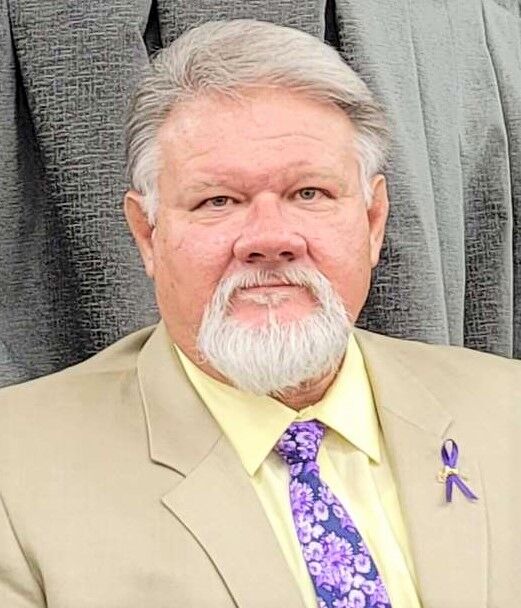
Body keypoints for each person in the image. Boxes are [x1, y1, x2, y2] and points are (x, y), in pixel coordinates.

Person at [0, 19, 519, 608]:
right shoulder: (15, 468)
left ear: (374, 221)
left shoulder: (509, 410)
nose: (270, 239)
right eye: (218, 200)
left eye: (309, 194)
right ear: (147, 234)